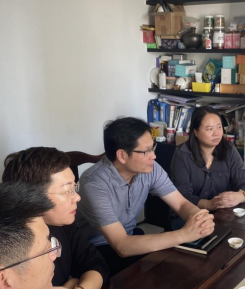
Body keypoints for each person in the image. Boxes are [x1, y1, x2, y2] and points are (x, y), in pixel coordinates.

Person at [75, 117, 215, 275]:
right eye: (146, 151)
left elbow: (181, 204)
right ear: (122, 155)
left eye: (152, 147)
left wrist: (200, 219)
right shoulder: (94, 184)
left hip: (130, 237)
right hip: (95, 249)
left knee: (184, 263)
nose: (153, 156)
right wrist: (184, 235)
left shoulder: (149, 168)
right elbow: (121, 246)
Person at [2, 147, 110, 289]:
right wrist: (72, 283)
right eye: (67, 191)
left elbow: (97, 265)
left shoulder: (63, 224)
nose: (77, 197)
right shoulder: (9, 246)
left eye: (74, 188)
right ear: (32, 198)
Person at [169, 106, 245, 230]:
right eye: (209, 129)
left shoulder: (229, 150)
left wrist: (240, 196)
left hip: (223, 214)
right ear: (196, 132)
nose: (216, 133)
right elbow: (181, 197)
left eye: (219, 127)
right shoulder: (182, 154)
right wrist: (209, 204)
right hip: (190, 216)